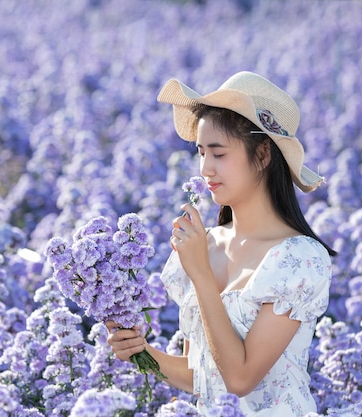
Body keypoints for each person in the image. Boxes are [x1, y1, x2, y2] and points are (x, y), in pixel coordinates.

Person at [106, 71, 336, 416]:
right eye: (201, 153)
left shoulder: (300, 258)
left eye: (219, 154)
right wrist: (139, 352)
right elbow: (205, 377)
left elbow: (240, 379)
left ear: (262, 155)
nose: (205, 169)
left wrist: (200, 274)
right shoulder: (207, 242)